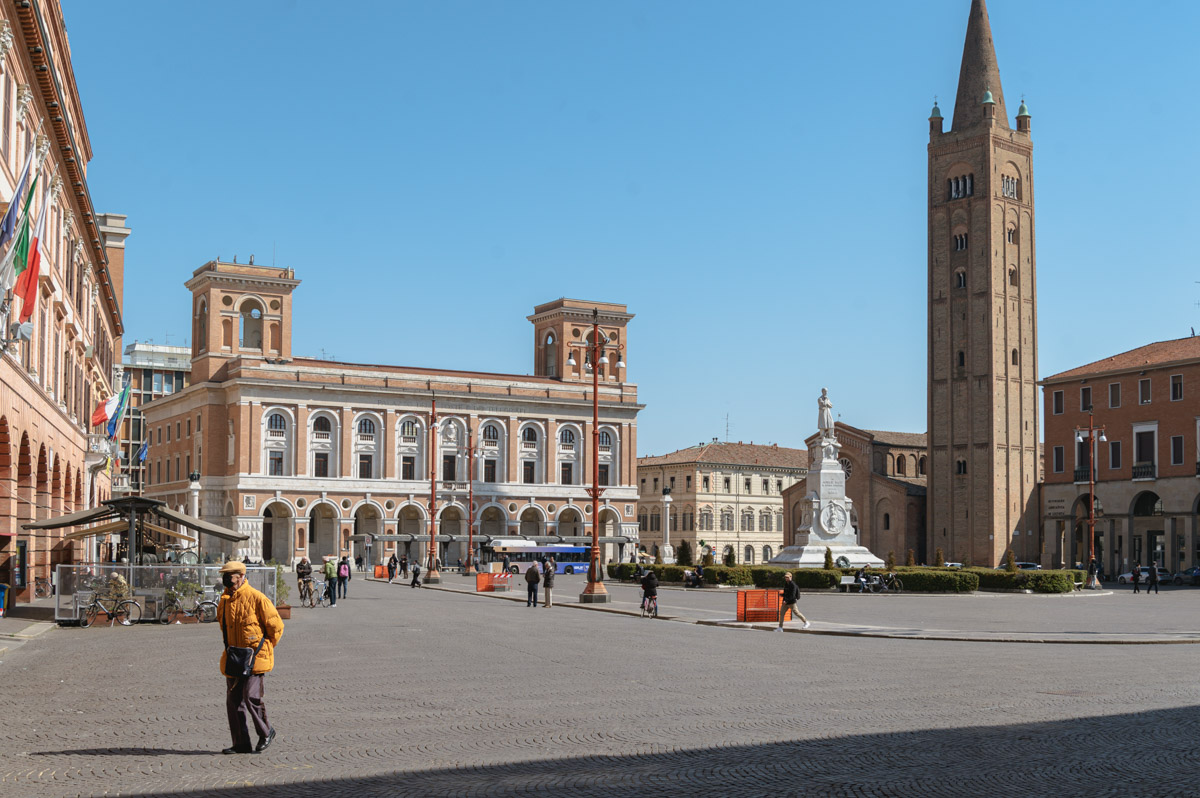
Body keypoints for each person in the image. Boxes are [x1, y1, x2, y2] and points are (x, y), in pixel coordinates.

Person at [216, 560, 284, 754]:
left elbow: (276, 627)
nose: (226, 579)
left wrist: (265, 647)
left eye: (230, 575)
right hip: (234, 656)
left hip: (255, 656)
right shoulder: (225, 601)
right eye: (225, 575)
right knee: (233, 701)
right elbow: (223, 626)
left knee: (251, 696)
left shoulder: (257, 598)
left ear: (241, 576)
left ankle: (266, 731)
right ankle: (241, 743)